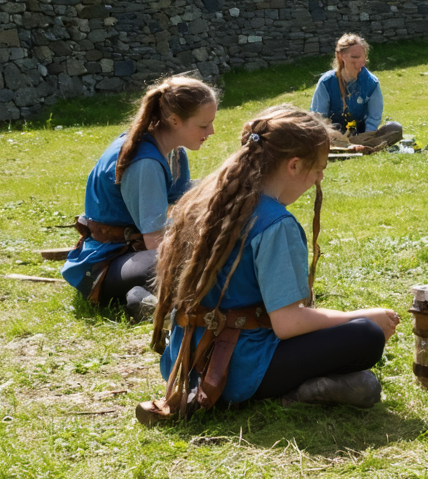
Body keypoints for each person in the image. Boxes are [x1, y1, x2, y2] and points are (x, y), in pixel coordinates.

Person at [137, 105, 400, 425]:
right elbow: (287, 323)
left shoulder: (205, 200)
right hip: (235, 372)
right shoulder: (276, 224)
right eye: (318, 169)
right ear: (294, 165)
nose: (319, 178)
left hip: (188, 362)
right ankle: (300, 391)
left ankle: (321, 386)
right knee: (366, 336)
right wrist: (362, 316)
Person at [62, 75, 218, 321]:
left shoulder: (173, 151)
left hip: (135, 255)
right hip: (107, 265)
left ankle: (142, 298)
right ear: (174, 120)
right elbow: (155, 241)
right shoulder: (145, 163)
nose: (211, 131)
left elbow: (182, 204)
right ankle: (143, 299)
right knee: (201, 259)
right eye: (203, 125)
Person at [311, 33, 402, 150]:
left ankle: (358, 147)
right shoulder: (326, 82)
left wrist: (367, 136)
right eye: (354, 57)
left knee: (395, 129)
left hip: (361, 135)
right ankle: (345, 146)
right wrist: (333, 135)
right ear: (341, 56)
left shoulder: (371, 82)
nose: (360, 62)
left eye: (362, 57)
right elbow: (318, 117)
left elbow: (374, 117)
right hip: (332, 135)